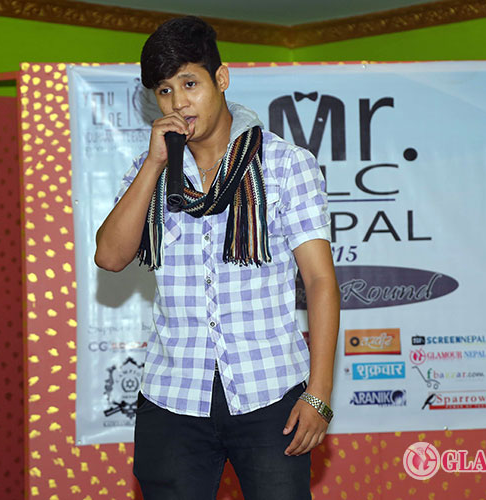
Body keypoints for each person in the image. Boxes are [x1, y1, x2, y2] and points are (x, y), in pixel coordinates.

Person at [94, 16, 340, 500]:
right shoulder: (150, 171)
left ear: (221, 79)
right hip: (172, 395)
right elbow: (110, 256)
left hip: (270, 390)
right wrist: (155, 163)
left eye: (190, 83)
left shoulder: (285, 164)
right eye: (165, 91)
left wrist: (319, 394)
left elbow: (320, 282)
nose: (178, 103)